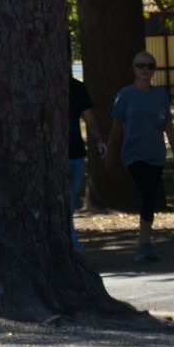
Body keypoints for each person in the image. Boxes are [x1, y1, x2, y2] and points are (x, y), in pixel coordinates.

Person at [105, 50, 174, 262]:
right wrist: (110, 154)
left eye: (150, 65)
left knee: (150, 197)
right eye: (141, 65)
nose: (145, 69)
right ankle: (143, 244)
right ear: (134, 68)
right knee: (147, 191)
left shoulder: (160, 95)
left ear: (154, 69)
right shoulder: (125, 95)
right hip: (133, 154)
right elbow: (116, 128)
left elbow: (168, 126)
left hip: (156, 154)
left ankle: (145, 243)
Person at [66, 74, 104, 250]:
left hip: (74, 154)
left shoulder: (76, 87)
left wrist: (98, 140)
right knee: (63, 205)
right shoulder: (37, 81)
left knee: (70, 203)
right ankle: (72, 246)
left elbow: (89, 117)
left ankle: (70, 246)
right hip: (51, 156)